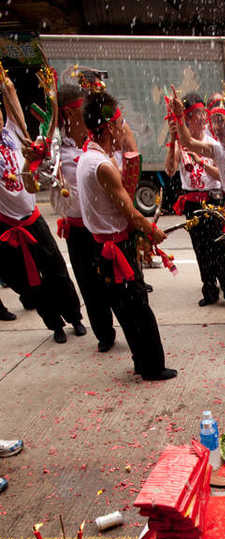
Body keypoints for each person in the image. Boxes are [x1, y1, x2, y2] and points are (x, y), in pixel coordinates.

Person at [76, 90, 176, 380]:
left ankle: (141, 361)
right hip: (115, 248)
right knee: (138, 310)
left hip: (105, 247)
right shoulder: (102, 166)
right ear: (108, 127)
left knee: (127, 311)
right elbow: (130, 212)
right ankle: (152, 367)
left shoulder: (89, 156)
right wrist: (152, 231)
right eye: (121, 123)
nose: (125, 129)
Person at [0, 72, 84, 344]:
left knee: (57, 269)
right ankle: (55, 325)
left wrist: (6, 84)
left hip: (33, 219)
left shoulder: (13, 133)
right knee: (32, 282)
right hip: (8, 227)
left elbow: (11, 99)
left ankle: (74, 317)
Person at [172, 90, 225, 325]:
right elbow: (188, 142)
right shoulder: (217, 149)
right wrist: (179, 118)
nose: (217, 128)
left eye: (221, 122)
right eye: (214, 123)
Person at [50, 83, 117, 352]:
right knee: (89, 286)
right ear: (66, 114)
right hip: (77, 229)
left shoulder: (97, 136)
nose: (84, 114)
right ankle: (104, 332)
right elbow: (32, 183)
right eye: (78, 109)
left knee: (113, 282)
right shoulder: (55, 147)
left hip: (102, 226)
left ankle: (126, 324)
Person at [165, 91, 225, 309]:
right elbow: (169, 170)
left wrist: (202, 163)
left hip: (213, 201)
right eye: (197, 114)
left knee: (221, 249)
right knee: (201, 250)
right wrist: (172, 139)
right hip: (193, 205)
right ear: (187, 118)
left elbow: (222, 176)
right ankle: (210, 291)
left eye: (202, 113)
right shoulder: (180, 144)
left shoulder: (213, 142)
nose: (202, 118)